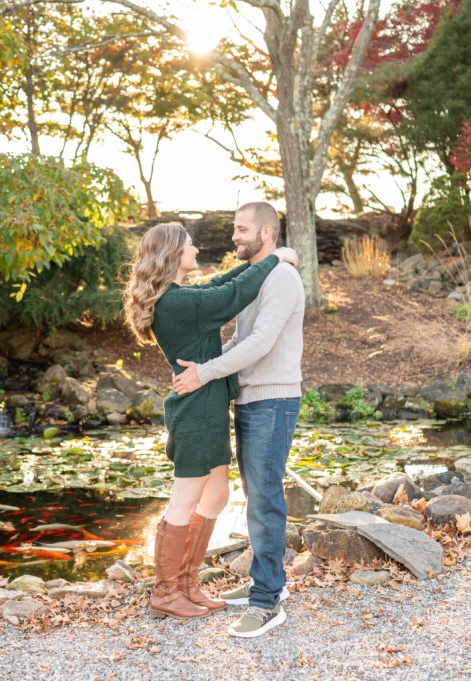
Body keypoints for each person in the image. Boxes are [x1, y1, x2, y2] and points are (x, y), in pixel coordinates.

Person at [123, 221, 298, 621]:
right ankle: (166, 593)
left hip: (209, 405)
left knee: (216, 497)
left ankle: (185, 585)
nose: (197, 249)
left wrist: (265, 260)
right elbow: (232, 295)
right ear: (172, 255)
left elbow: (221, 283)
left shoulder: (180, 295)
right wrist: (274, 258)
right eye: (190, 245)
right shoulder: (176, 302)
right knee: (183, 502)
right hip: (195, 412)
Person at [173, 201, 305, 639]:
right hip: (252, 400)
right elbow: (240, 338)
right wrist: (203, 364)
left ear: (266, 232)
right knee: (256, 496)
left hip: (273, 400)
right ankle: (267, 586)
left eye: (241, 229)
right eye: (234, 228)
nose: (234, 236)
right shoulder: (265, 272)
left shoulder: (282, 277)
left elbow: (263, 343)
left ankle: (268, 603)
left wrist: (205, 373)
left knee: (265, 498)